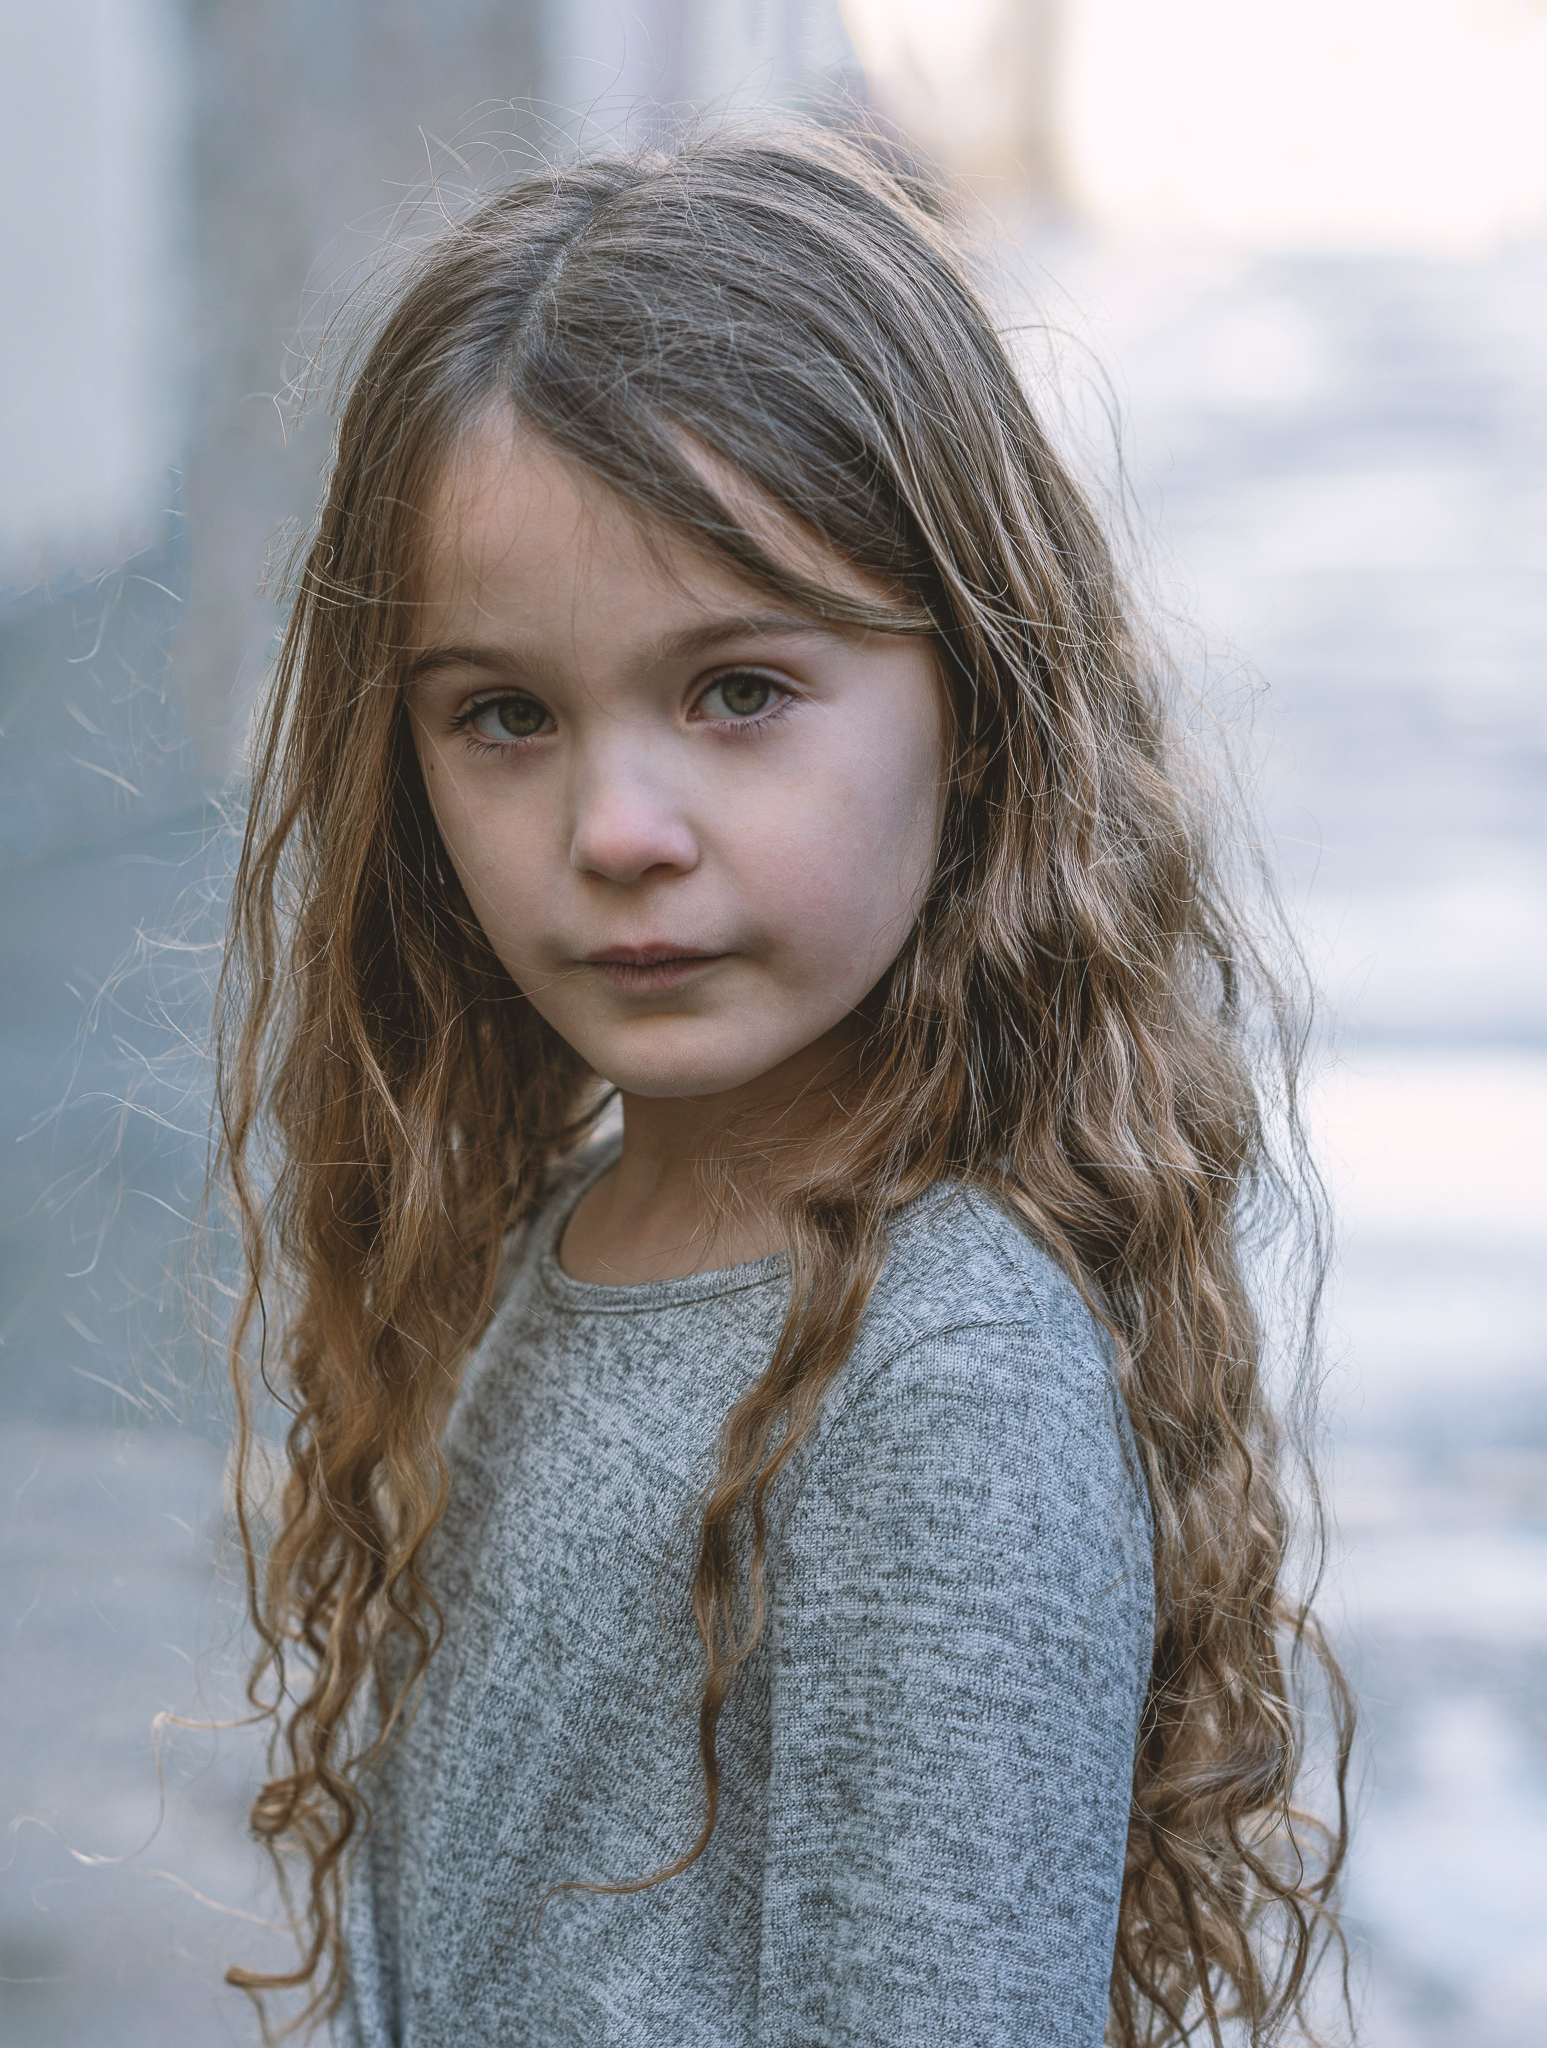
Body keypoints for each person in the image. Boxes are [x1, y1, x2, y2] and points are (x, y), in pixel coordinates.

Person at [211, 123, 1350, 2047]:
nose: (618, 829)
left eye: (737, 689)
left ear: (980, 712)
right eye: (506, 716)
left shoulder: (938, 1380)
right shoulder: (576, 1231)